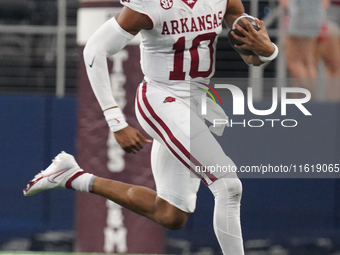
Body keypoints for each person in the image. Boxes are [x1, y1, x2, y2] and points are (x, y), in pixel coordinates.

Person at [23, 0, 277, 253]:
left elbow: (252, 56)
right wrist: (115, 120)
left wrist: (269, 50)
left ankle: (72, 177)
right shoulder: (151, 4)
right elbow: (95, 50)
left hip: (196, 102)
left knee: (170, 215)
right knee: (228, 184)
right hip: (160, 98)